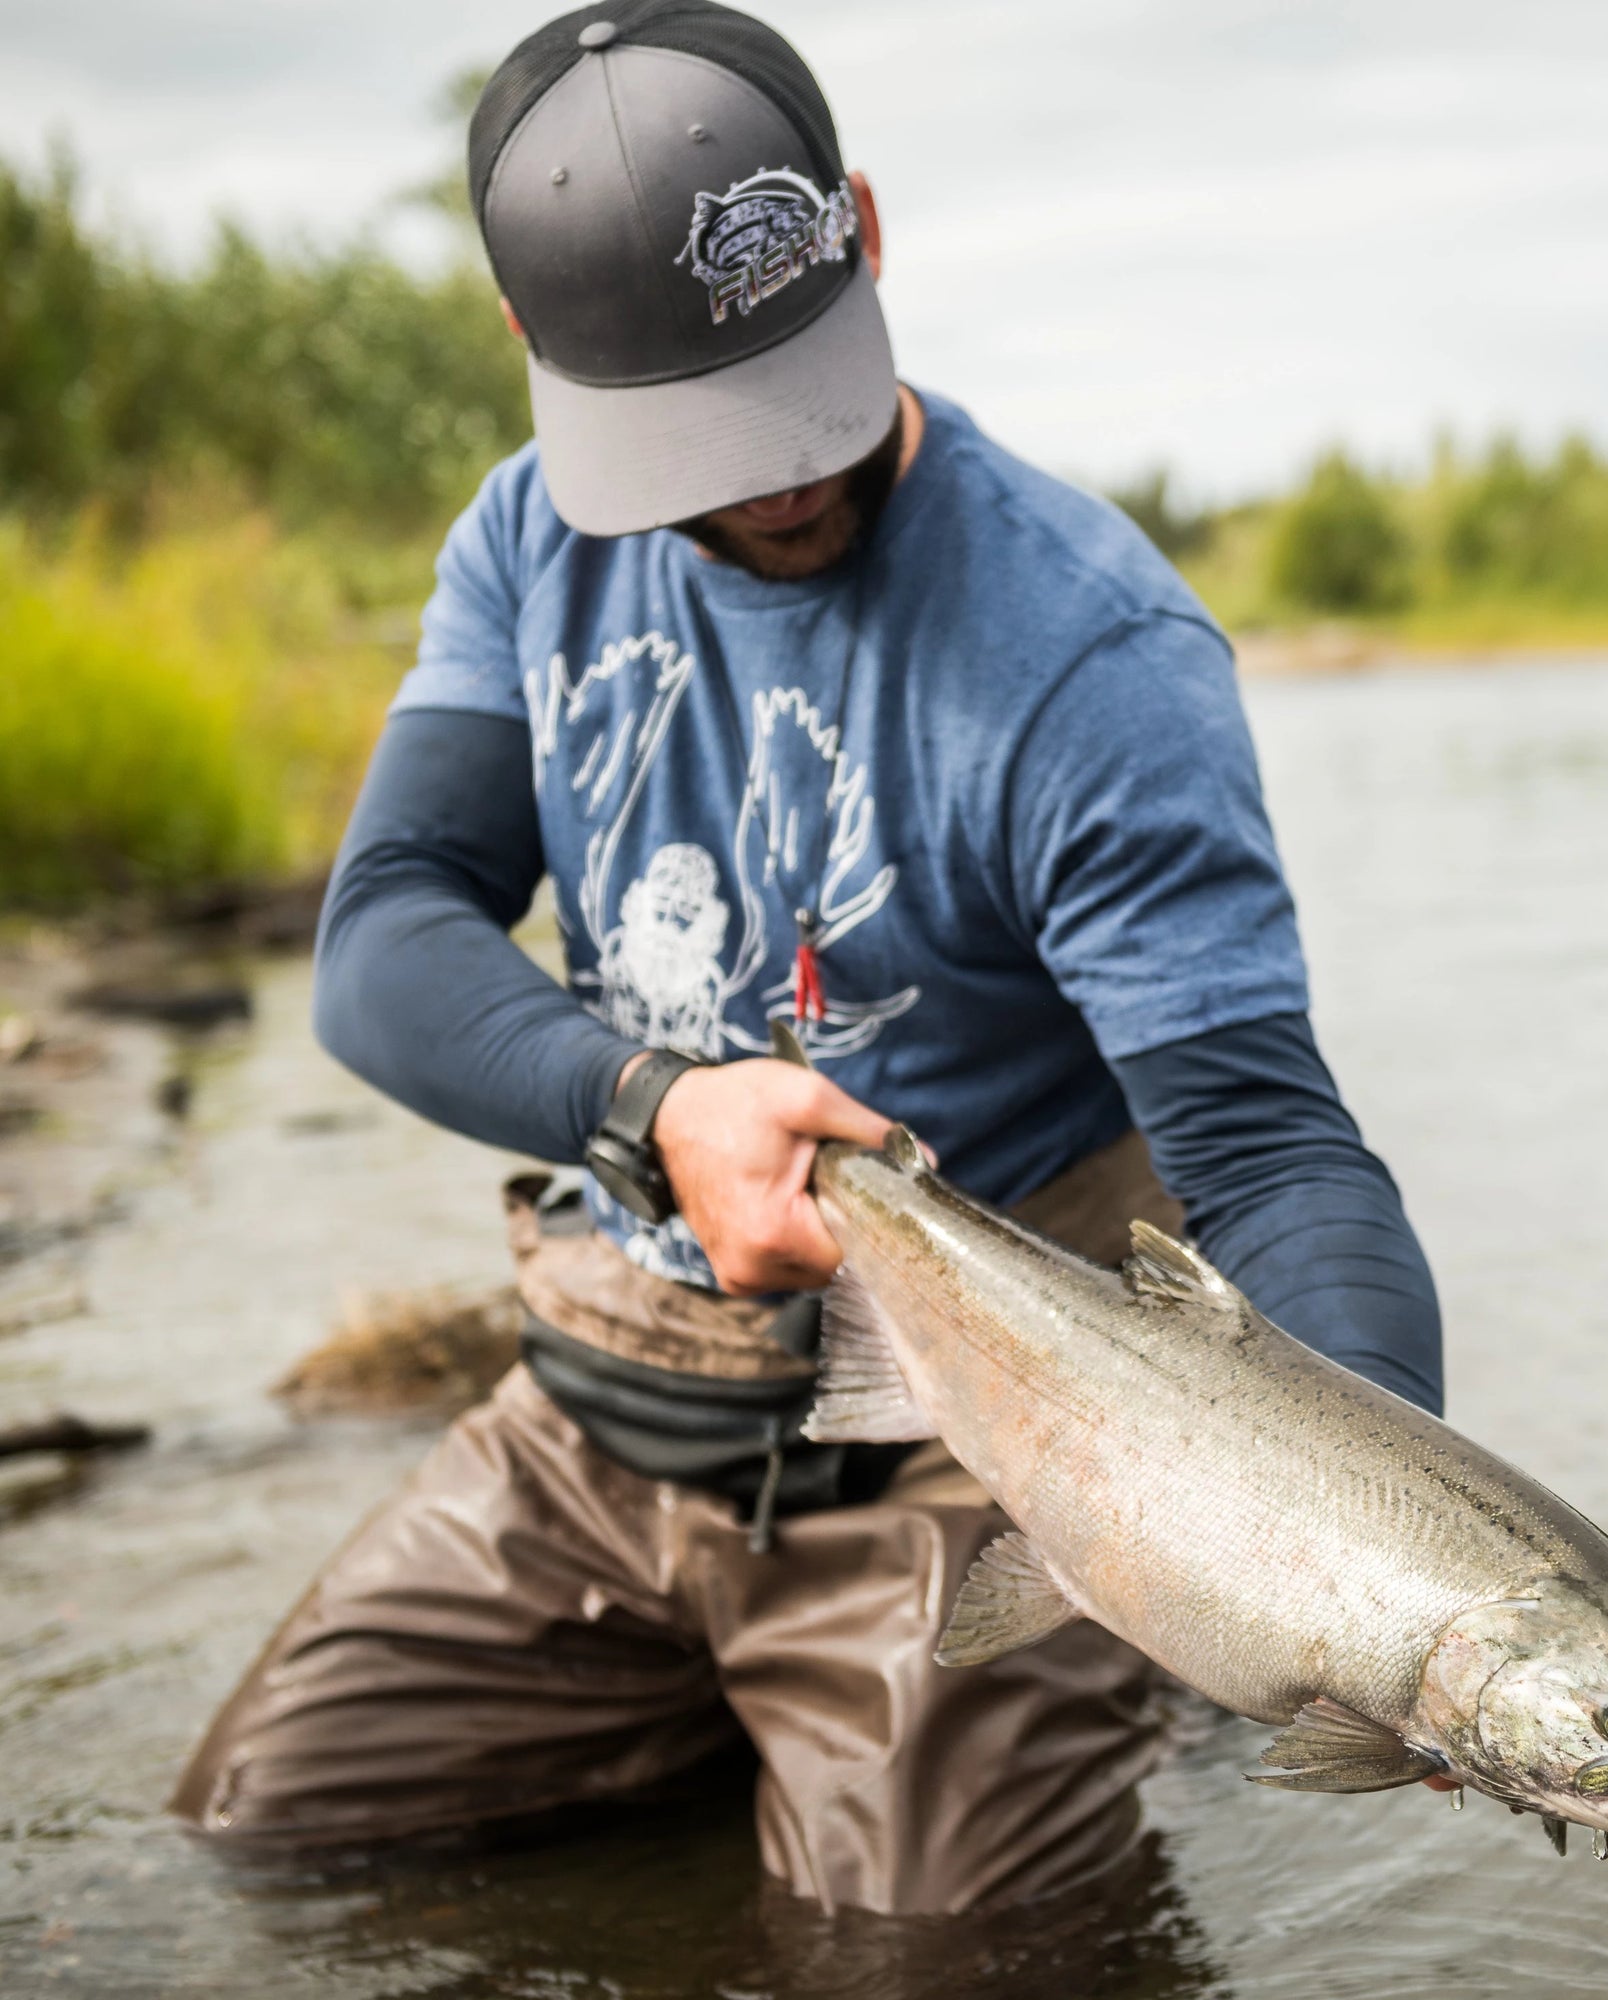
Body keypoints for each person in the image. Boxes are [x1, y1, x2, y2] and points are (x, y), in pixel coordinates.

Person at [171, 0, 1442, 1918]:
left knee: (926, 1969)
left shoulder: (1091, 654)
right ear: (535, 348)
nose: (773, 483)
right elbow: (385, 940)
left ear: (856, 221)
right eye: (698, 438)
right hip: (597, 1427)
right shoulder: (529, 541)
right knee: (258, 1851)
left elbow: (1267, 1156)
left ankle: (1091, 1655)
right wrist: (652, 1107)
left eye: (800, 397)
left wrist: (1384, 1543)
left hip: (964, 1481)